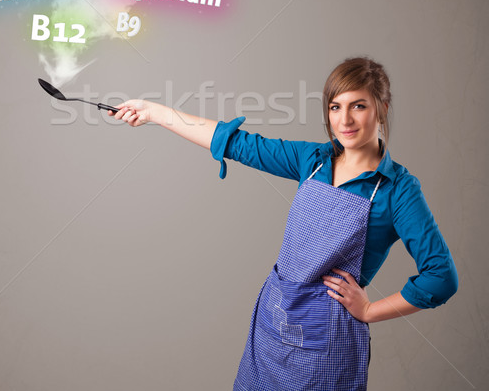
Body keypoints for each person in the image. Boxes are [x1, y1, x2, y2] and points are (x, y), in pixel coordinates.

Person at [108, 57, 458, 390]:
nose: (345, 120)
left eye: (359, 106)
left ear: (381, 108)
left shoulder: (397, 190)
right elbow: (235, 143)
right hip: (273, 325)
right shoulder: (314, 161)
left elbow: (440, 277)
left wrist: (368, 310)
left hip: (328, 344)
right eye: (336, 107)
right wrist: (154, 112)